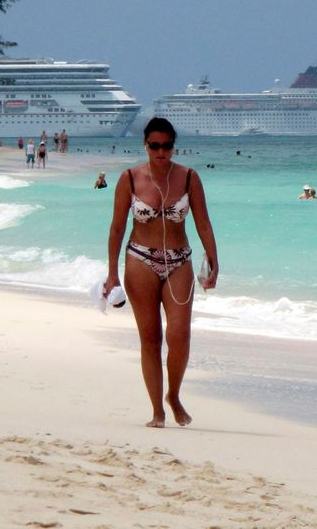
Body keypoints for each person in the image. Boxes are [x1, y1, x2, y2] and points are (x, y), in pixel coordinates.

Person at [103, 117, 219, 428]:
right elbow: (116, 228)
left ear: (173, 146)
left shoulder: (189, 178)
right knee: (150, 338)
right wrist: (112, 273)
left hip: (180, 260)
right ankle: (157, 410)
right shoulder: (129, 178)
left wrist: (214, 259)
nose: (161, 152)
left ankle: (174, 394)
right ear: (146, 145)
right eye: (155, 146)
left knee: (179, 335)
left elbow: (203, 223)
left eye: (167, 146)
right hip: (140, 259)